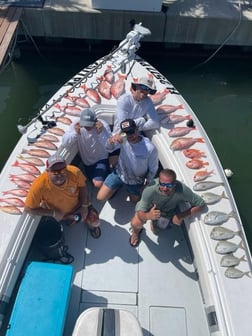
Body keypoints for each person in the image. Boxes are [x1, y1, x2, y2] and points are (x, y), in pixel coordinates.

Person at [24, 153, 101, 238]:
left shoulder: (75, 172)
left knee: (95, 221)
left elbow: (82, 186)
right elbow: (28, 208)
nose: (59, 174)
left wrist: (84, 206)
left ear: (66, 168)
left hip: (79, 204)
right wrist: (52, 213)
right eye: (54, 171)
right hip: (60, 214)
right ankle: (69, 221)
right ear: (48, 171)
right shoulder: (39, 185)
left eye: (62, 170)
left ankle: (90, 225)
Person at [129, 168, 206, 247]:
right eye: (162, 184)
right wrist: (149, 215)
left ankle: (154, 224)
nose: (165, 188)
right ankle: (135, 233)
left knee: (156, 231)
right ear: (159, 182)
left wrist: (181, 216)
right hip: (149, 209)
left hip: (166, 213)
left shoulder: (182, 190)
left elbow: (201, 204)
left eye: (169, 185)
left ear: (175, 184)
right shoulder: (149, 190)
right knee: (135, 222)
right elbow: (140, 213)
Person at [97, 119, 158, 203]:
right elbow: (108, 149)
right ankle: (117, 186)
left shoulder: (149, 148)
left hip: (136, 180)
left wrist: (147, 184)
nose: (129, 135)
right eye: (126, 133)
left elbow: (153, 169)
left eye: (131, 131)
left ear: (137, 129)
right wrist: (110, 141)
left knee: (134, 201)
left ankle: (130, 191)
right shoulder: (123, 138)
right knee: (100, 198)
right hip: (119, 173)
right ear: (122, 133)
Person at [62, 108, 112, 189]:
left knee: (98, 184)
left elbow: (110, 147)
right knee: (91, 182)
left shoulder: (103, 125)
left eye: (90, 124)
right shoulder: (76, 125)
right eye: (85, 124)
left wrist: (101, 133)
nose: (87, 127)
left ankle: (109, 179)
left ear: (96, 121)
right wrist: (75, 133)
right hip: (87, 162)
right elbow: (65, 142)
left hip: (101, 159)